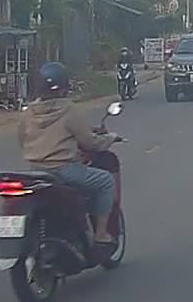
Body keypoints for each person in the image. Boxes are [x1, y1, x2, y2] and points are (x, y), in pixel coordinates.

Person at [18, 62, 120, 246]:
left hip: (36, 171)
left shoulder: (29, 111)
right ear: (64, 87)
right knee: (105, 181)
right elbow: (89, 142)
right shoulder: (67, 109)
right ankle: (101, 234)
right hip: (64, 171)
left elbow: (22, 139)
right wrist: (110, 138)